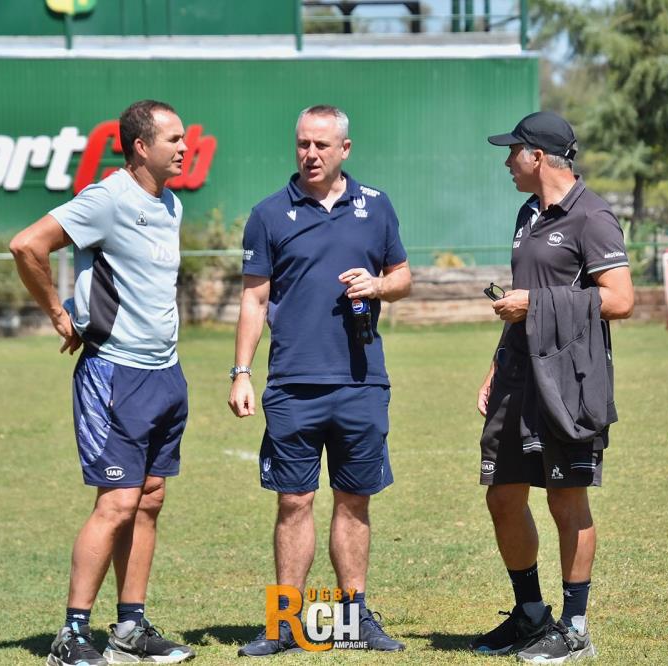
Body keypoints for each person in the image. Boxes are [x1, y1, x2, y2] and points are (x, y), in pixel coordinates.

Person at [10, 99, 195, 666]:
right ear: (141, 146)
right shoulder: (108, 198)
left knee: (150, 499)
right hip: (114, 373)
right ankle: (71, 637)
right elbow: (27, 244)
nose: (184, 146)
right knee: (116, 503)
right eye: (173, 138)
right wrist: (58, 314)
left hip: (165, 372)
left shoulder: (171, 204)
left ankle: (131, 629)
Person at [227, 105, 411, 657]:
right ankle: (285, 624)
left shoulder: (377, 206)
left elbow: (402, 277)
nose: (310, 154)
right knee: (294, 501)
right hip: (292, 385)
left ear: (344, 149)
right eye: (303, 143)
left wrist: (377, 286)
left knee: (354, 501)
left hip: (362, 383)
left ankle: (354, 619)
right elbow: (254, 298)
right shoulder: (268, 214)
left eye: (321, 145)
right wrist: (241, 372)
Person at [471, 111, 634, 662]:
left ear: (537, 156)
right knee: (502, 494)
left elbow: (621, 299)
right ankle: (531, 615)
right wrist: (496, 365)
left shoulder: (593, 216)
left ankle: (575, 628)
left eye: (512, 151)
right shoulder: (528, 213)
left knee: (566, 498)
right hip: (518, 374)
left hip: (569, 380)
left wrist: (535, 303)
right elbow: (524, 297)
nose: (506, 161)